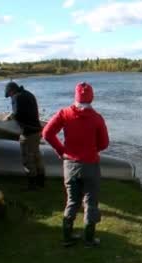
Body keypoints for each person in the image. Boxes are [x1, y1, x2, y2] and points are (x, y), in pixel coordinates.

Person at [42, 82, 109, 248]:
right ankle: (89, 239)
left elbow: (47, 133)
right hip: (90, 165)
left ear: (76, 96)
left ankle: (67, 237)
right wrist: (93, 149)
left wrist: (61, 150)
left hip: (70, 165)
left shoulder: (64, 113)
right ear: (91, 97)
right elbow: (104, 143)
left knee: (72, 201)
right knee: (90, 202)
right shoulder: (97, 118)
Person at [4, 81, 45, 189]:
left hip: (28, 132)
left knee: (27, 158)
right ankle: (41, 181)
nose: (10, 97)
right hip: (37, 130)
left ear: (11, 91)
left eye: (9, 95)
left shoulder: (16, 97)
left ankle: (32, 184)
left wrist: (9, 118)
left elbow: (17, 114)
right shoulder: (28, 94)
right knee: (36, 155)